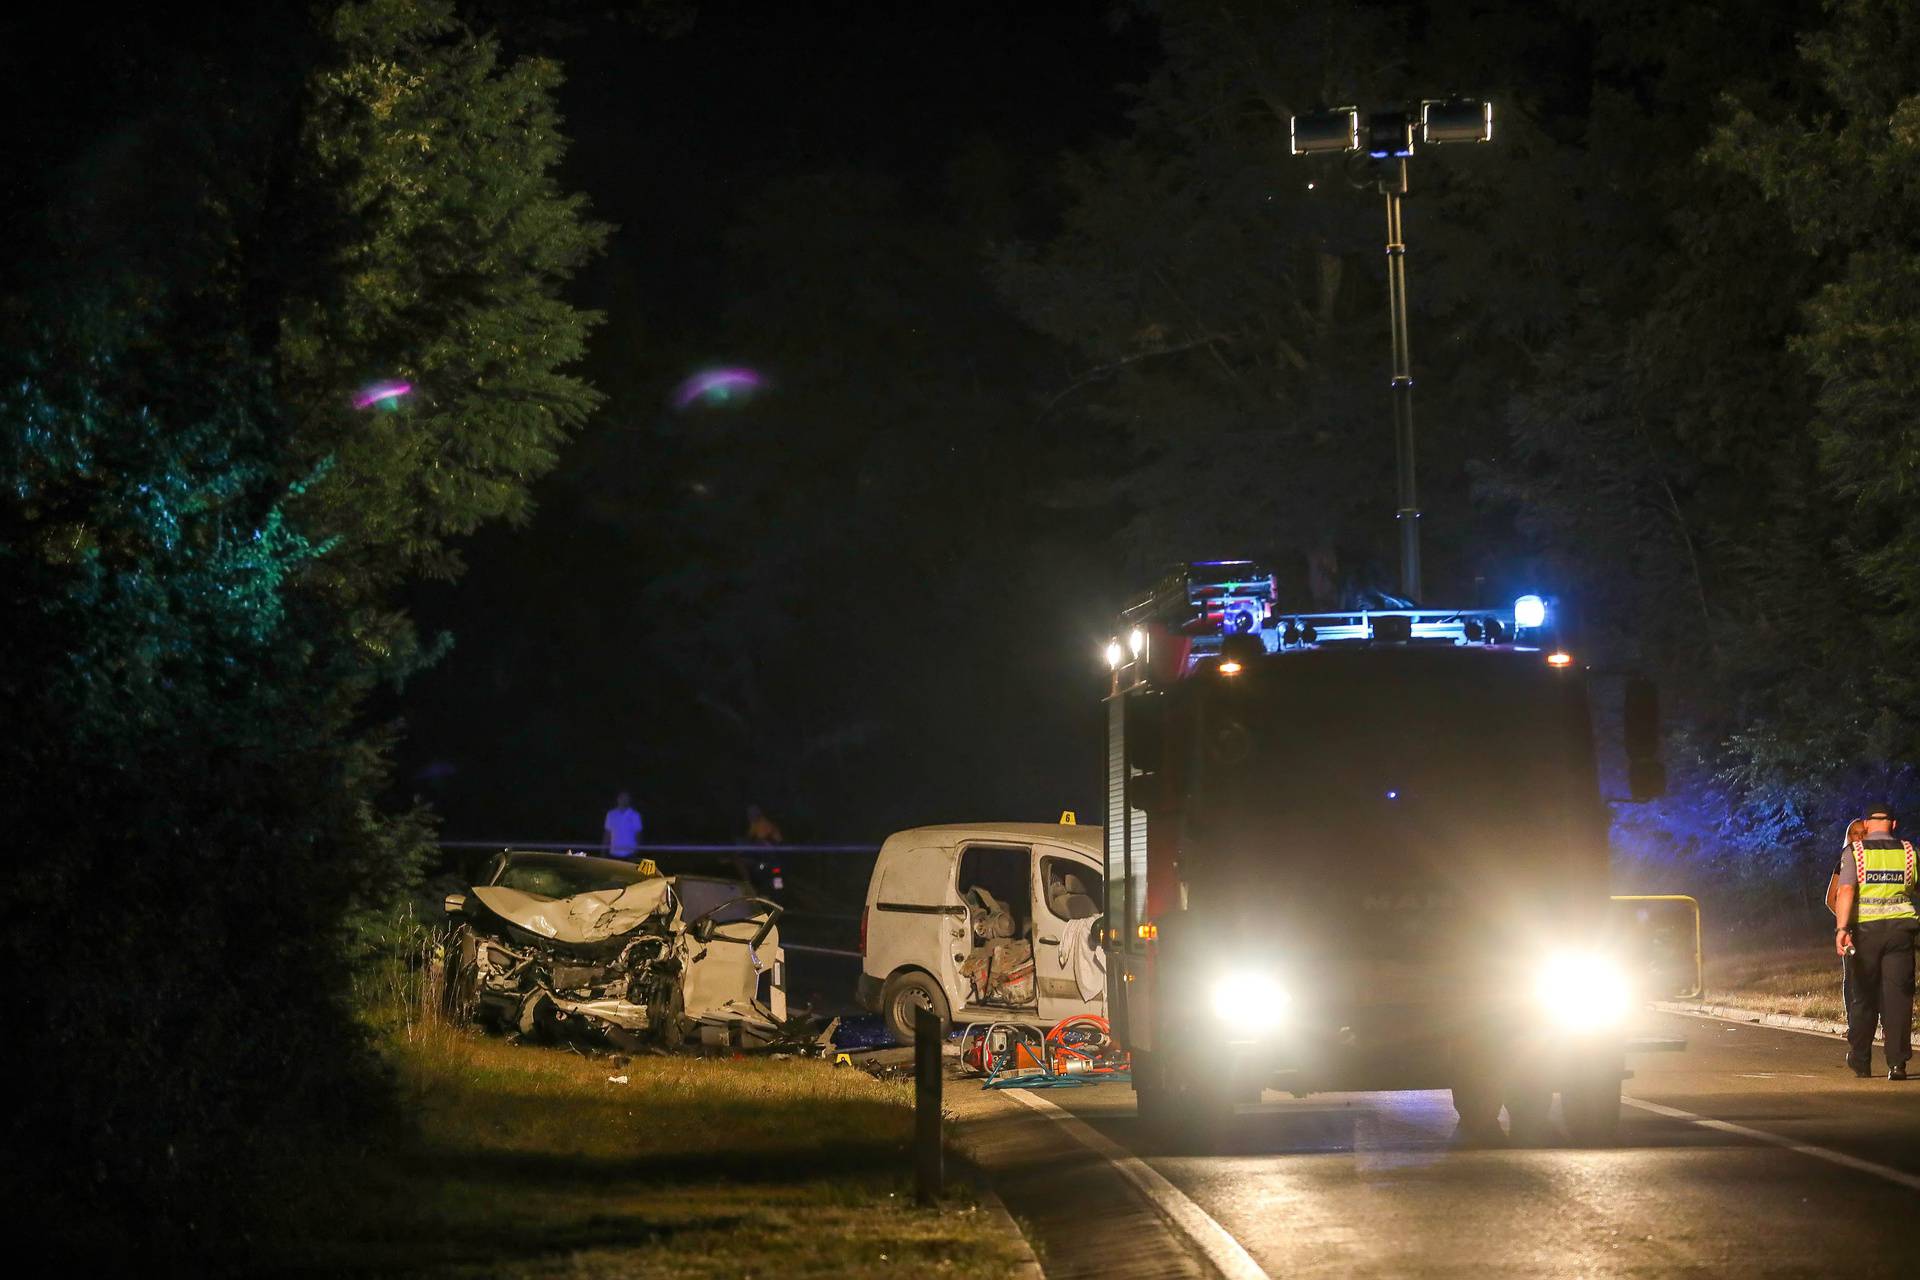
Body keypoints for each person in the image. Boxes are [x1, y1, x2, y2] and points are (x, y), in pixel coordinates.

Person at [1832, 806, 1918, 1080]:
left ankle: (1860, 1059)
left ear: (1867, 825)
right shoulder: (1909, 852)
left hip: (1865, 933)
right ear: (1893, 824)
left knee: (1864, 996)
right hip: (1900, 934)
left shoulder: (1855, 853)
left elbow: (1845, 891)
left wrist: (1842, 928)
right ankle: (1897, 1064)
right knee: (1898, 998)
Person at [603, 790, 643, 860]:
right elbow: (607, 834)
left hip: (630, 853)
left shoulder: (635, 815)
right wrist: (603, 851)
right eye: (622, 797)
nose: (624, 800)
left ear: (629, 800)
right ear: (618, 799)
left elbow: (638, 834)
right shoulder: (611, 814)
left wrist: (637, 850)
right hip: (614, 853)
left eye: (626, 798)